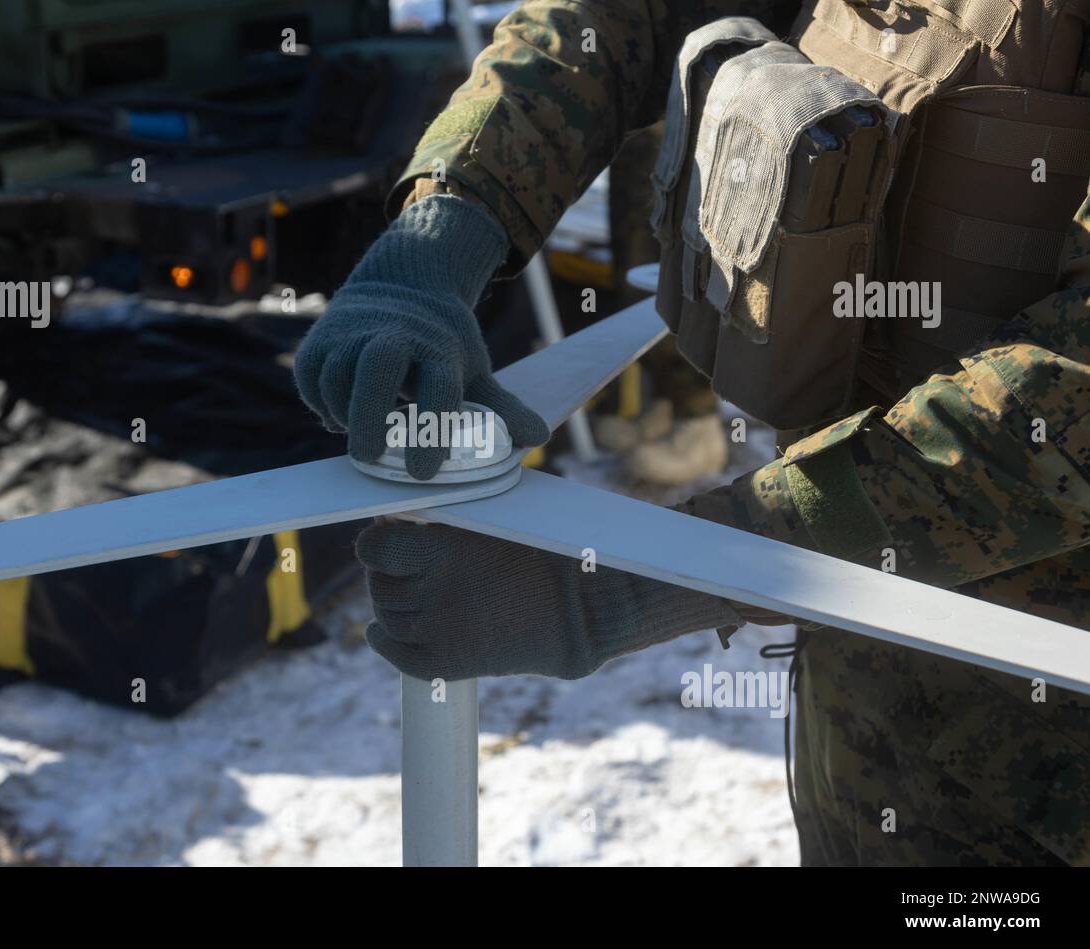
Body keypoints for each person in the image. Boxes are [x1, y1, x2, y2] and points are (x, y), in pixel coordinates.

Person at [294, 0, 1090, 865]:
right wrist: (441, 233)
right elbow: (617, 20)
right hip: (862, 689)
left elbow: (1066, 400)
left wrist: (629, 583)